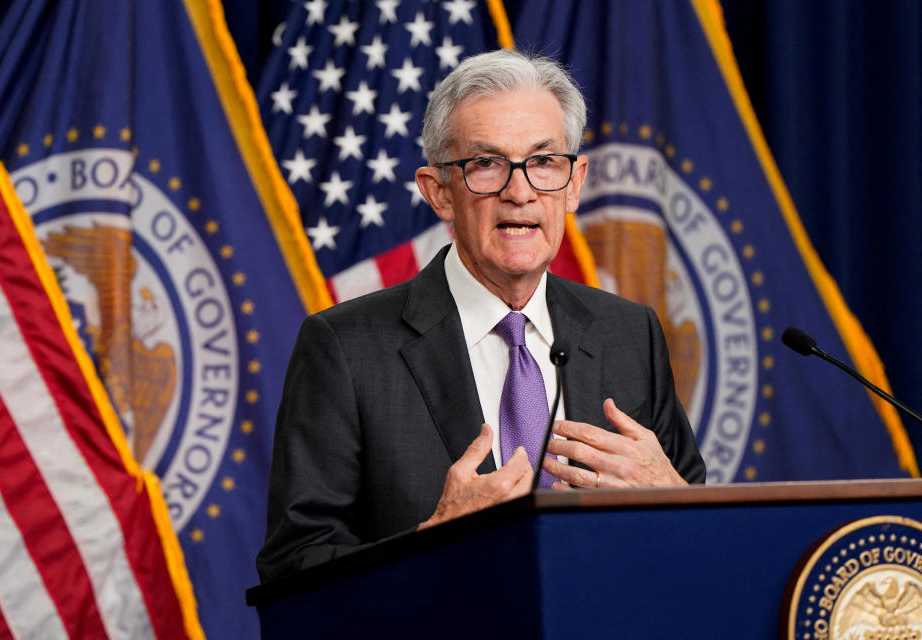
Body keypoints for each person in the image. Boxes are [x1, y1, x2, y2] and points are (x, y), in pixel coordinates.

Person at [257, 49, 705, 582]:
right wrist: (432, 541)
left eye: (543, 162)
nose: (519, 193)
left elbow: (701, 543)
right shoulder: (345, 348)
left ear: (575, 183)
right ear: (439, 192)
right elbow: (293, 567)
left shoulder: (629, 333)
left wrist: (675, 500)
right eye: (486, 164)